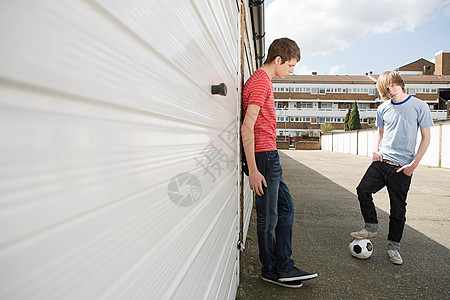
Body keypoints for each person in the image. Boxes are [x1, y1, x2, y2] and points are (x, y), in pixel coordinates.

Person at [241, 37, 317, 288]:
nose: (292, 70)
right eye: (291, 65)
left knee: (286, 209)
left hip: (269, 156)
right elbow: (247, 127)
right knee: (268, 216)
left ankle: (283, 266)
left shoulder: (261, 81)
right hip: (263, 157)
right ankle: (273, 269)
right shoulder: (261, 83)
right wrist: (252, 169)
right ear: (278, 60)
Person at [351, 71, 433, 265]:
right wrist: (374, 151)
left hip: (402, 167)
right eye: (385, 90)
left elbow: (426, 138)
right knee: (362, 189)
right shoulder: (383, 108)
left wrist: (413, 165)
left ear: (400, 83)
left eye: (392, 87)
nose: (389, 92)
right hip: (382, 162)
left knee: (398, 210)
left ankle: (393, 248)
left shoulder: (419, 106)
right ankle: (370, 227)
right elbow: (379, 132)